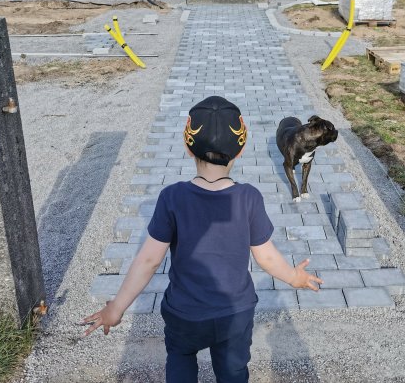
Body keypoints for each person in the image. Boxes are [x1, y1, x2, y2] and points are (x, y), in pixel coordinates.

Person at [82, 96, 322, 382]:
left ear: (187, 146)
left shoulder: (171, 197)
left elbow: (148, 260)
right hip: (235, 312)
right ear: (240, 150)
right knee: (233, 371)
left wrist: (116, 307)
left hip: (185, 312)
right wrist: (294, 278)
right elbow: (266, 257)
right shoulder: (249, 198)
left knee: (181, 360)